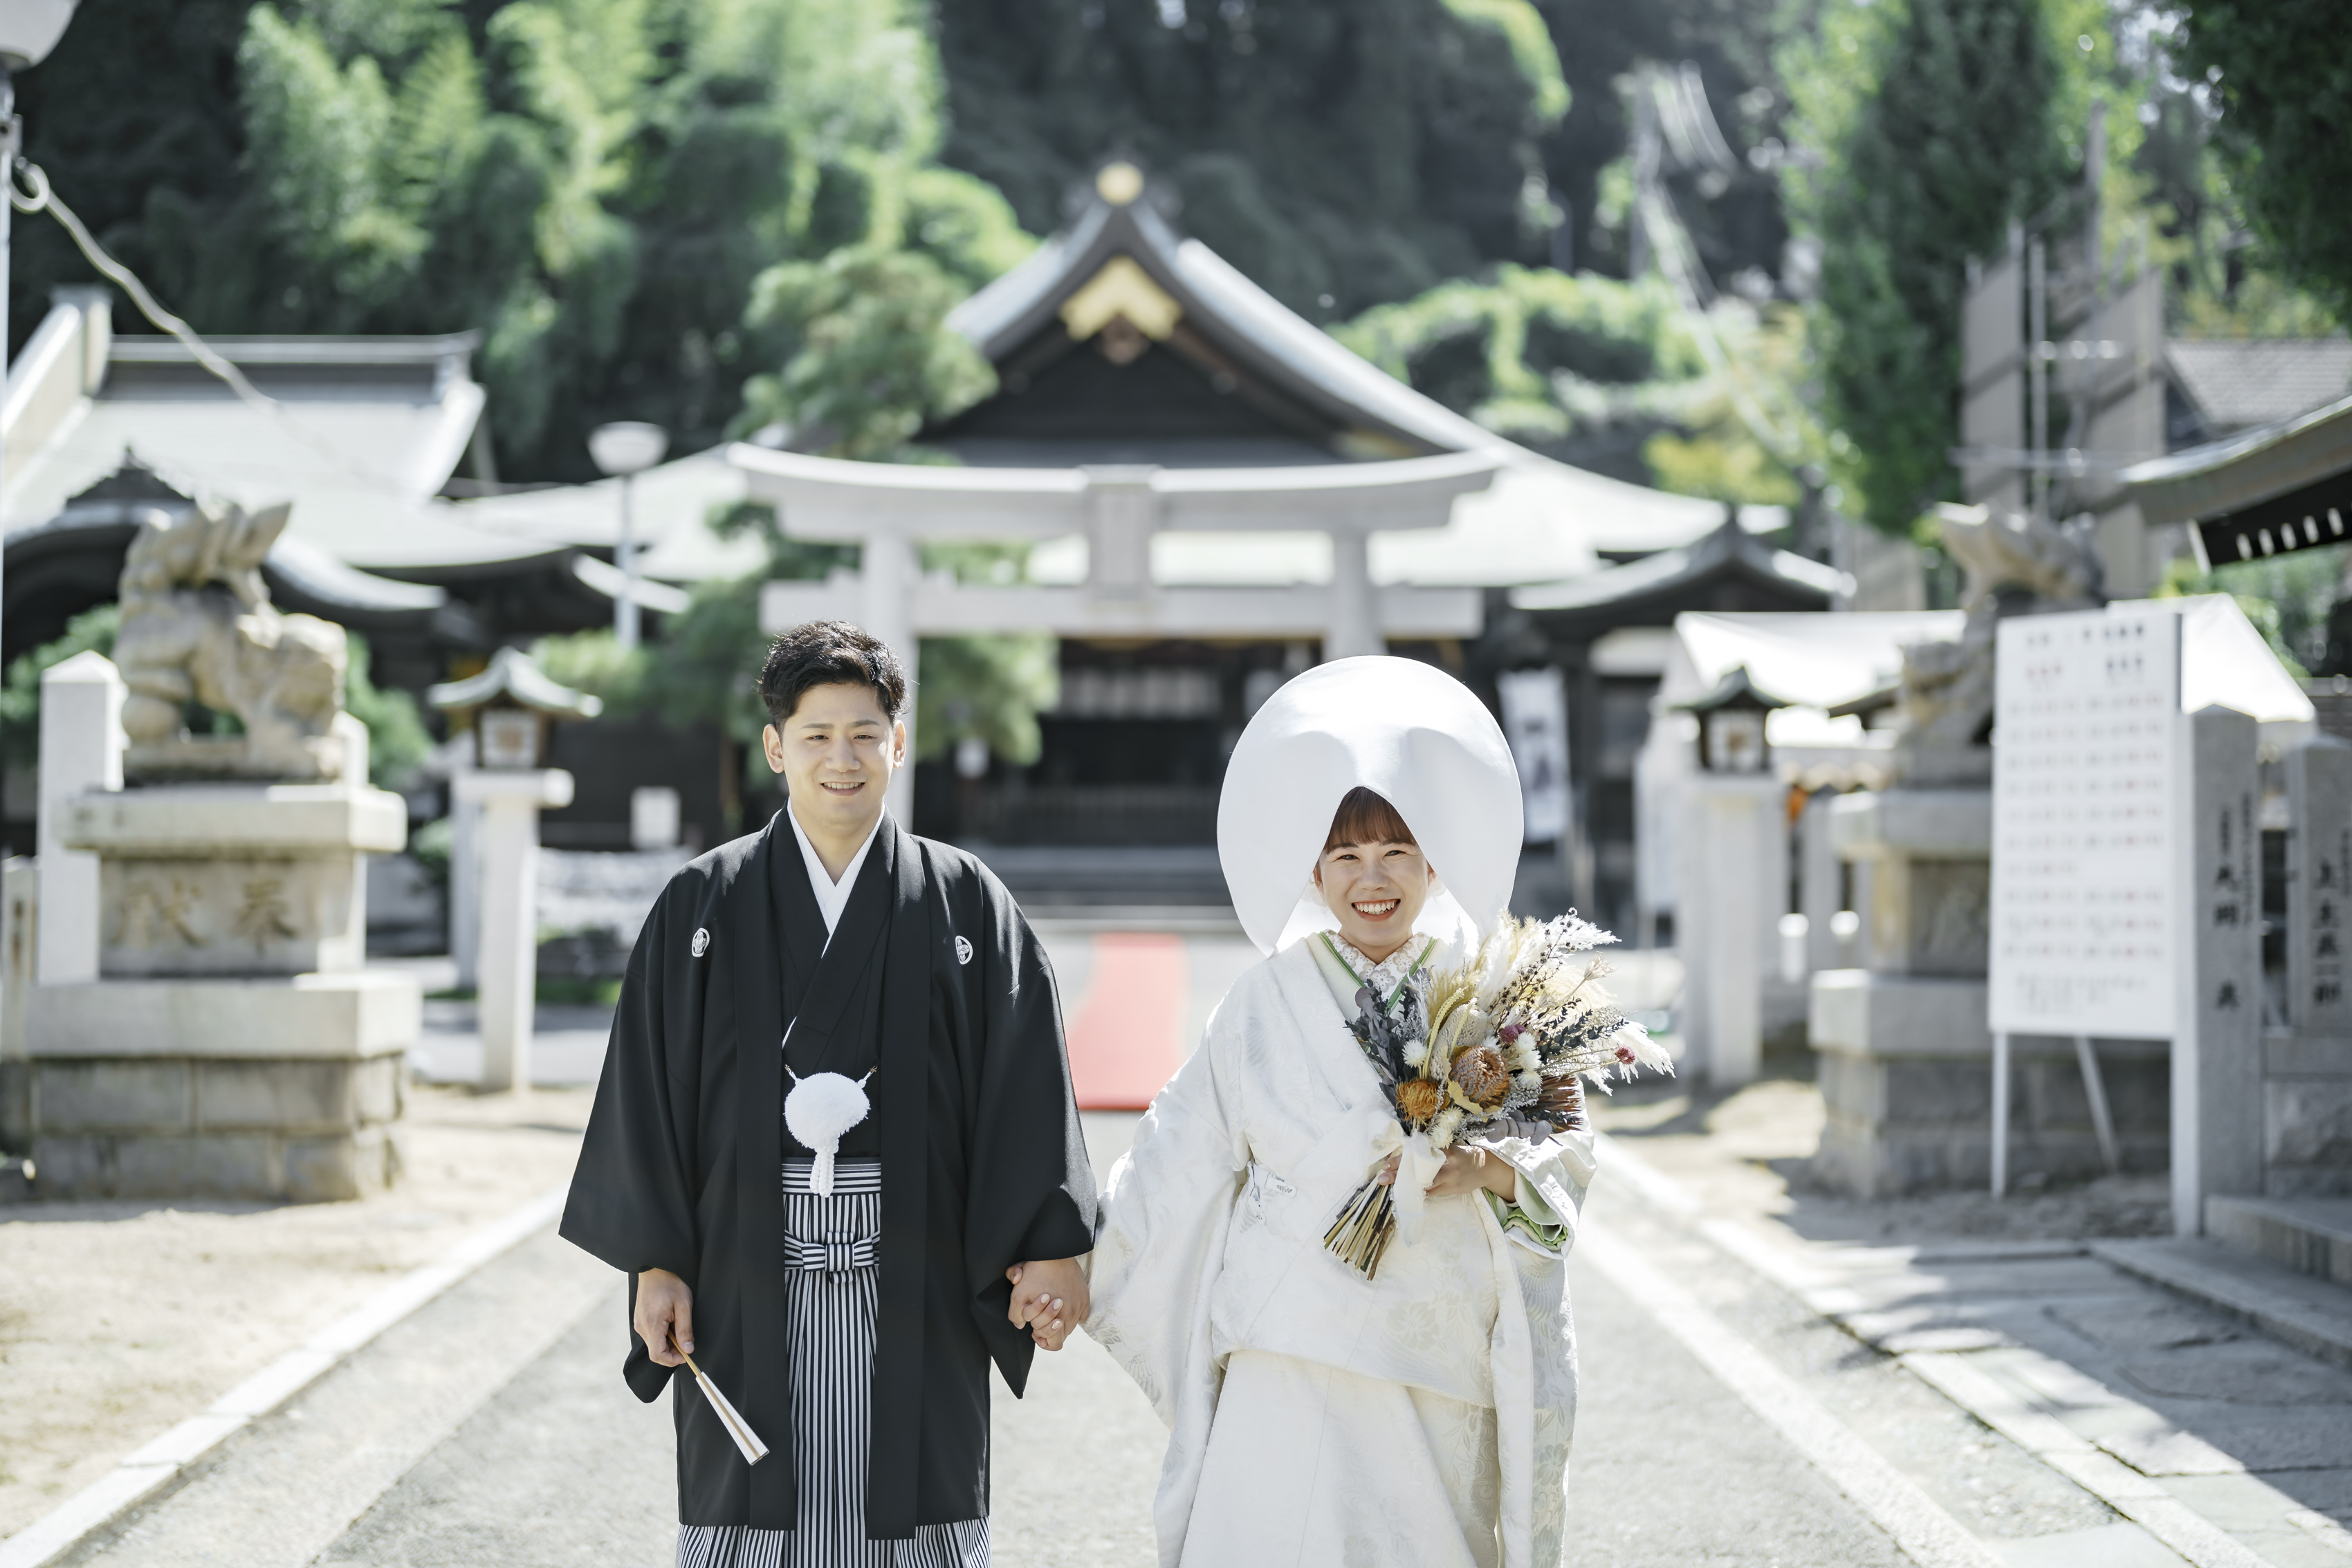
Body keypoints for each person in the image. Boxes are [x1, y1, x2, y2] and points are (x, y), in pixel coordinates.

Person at [560, 619, 1096, 1568]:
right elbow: (649, 1091)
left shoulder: (966, 902)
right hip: (738, 1269)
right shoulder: (702, 906)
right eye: (815, 735)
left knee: (913, 1505)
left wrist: (1049, 1246)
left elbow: (1026, 1085)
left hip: (920, 1268)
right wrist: (657, 1262)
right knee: (751, 1507)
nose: (841, 759)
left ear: (898, 741)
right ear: (776, 748)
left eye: (863, 734)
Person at [1084, 655, 1595, 1568]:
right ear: (1312, 873)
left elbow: (1565, 1139)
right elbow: (1179, 1148)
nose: (1373, 877)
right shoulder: (1259, 1001)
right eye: (1347, 856)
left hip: (1438, 1341)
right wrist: (1074, 1255)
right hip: (1292, 1334)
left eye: (1397, 851)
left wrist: (1481, 1166)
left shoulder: (1487, 993)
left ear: (1433, 863)